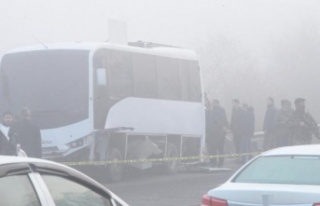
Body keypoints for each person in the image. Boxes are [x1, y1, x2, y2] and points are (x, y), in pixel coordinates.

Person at [206, 99, 228, 167]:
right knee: (219, 148)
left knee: (215, 148)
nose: (212, 104)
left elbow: (216, 121)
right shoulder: (219, 111)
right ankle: (218, 162)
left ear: (217, 103)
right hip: (219, 132)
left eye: (213, 103)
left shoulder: (217, 111)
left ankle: (216, 162)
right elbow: (225, 121)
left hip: (216, 132)